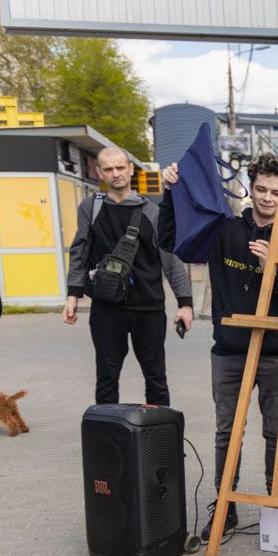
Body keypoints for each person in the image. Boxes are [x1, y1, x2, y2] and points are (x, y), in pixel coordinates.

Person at [159, 154, 278, 538]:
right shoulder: (225, 230)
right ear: (250, 189)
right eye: (260, 189)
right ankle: (224, 503)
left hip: (277, 354)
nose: (266, 198)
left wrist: (272, 271)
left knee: (277, 432)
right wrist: (168, 194)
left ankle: (276, 502)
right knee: (227, 432)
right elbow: (169, 241)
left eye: (276, 192)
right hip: (229, 352)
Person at [64, 147, 193, 405]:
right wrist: (73, 294)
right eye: (109, 169)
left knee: (155, 377)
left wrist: (185, 303)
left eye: (121, 167)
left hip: (148, 306)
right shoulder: (91, 208)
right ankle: (108, 442)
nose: (116, 174)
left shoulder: (152, 212)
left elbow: (171, 257)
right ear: (99, 172)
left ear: (131, 169)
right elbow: (80, 249)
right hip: (106, 307)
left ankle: (158, 441)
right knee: (107, 377)